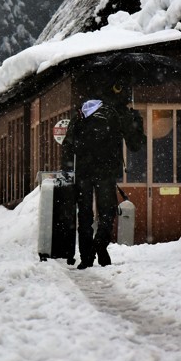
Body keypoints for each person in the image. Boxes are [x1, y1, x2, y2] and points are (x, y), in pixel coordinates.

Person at [61, 83, 144, 269]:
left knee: (85, 215)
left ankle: (86, 256)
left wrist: (68, 171)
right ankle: (100, 243)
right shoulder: (117, 114)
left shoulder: (80, 115)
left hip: (83, 174)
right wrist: (137, 120)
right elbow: (136, 144)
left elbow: (67, 145)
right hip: (106, 173)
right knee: (107, 213)